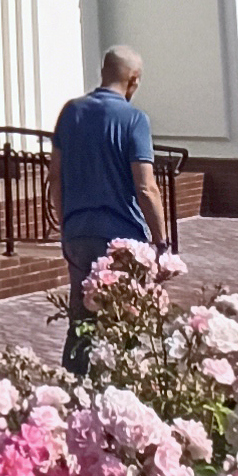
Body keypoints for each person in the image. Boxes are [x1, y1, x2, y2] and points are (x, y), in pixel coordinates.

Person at [47, 46, 168, 377]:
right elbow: (145, 187)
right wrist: (161, 241)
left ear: (103, 72)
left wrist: (65, 222)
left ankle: (75, 388)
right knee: (123, 321)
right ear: (133, 80)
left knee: (81, 321)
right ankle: (121, 390)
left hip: (77, 233)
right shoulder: (134, 120)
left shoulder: (71, 112)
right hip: (121, 240)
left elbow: (54, 178)